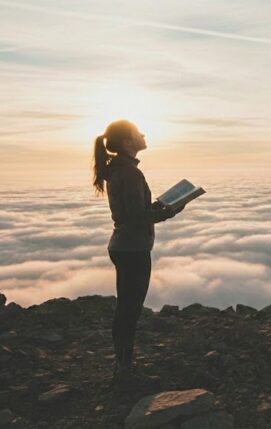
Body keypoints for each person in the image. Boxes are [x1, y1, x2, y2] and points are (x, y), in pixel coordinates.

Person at [91, 119, 182, 378]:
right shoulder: (130, 172)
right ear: (127, 142)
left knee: (126, 306)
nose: (143, 134)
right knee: (130, 308)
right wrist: (170, 210)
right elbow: (136, 217)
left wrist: (158, 208)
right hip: (133, 248)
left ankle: (122, 362)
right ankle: (124, 366)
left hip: (123, 246)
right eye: (137, 132)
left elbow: (133, 211)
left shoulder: (119, 169)